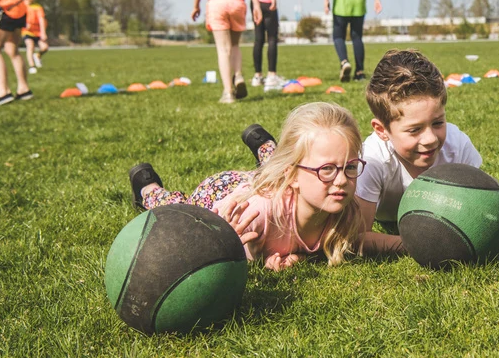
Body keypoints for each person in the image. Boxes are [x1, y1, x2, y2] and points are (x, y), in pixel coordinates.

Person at [129, 102, 365, 270]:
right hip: (219, 195)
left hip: (266, 182)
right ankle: (149, 190)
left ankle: (266, 148)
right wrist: (256, 257)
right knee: (177, 209)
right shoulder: (256, 214)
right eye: (327, 169)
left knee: (272, 168)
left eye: (350, 167)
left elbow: (362, 239)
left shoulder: (341, 203)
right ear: (292, 174)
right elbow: (215, 253)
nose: (342, 180)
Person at [355, 49, 481, 254]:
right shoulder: (371, 160)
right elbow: (357, 236)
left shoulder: (457, 145)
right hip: (386, 218)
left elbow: (479, 207)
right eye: (414, 130)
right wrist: (419, 244)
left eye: (438, 122)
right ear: (382, 130)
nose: (430, 139)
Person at [20, 0, 49, 73]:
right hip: (26, 31)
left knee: (44, 47)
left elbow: (41, 19)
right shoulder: (21, 6)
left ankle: (37, 56)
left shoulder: (38, 7)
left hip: (38, 32)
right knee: (30, 45)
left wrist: (43, 32)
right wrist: (24, 25)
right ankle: (32, 66)